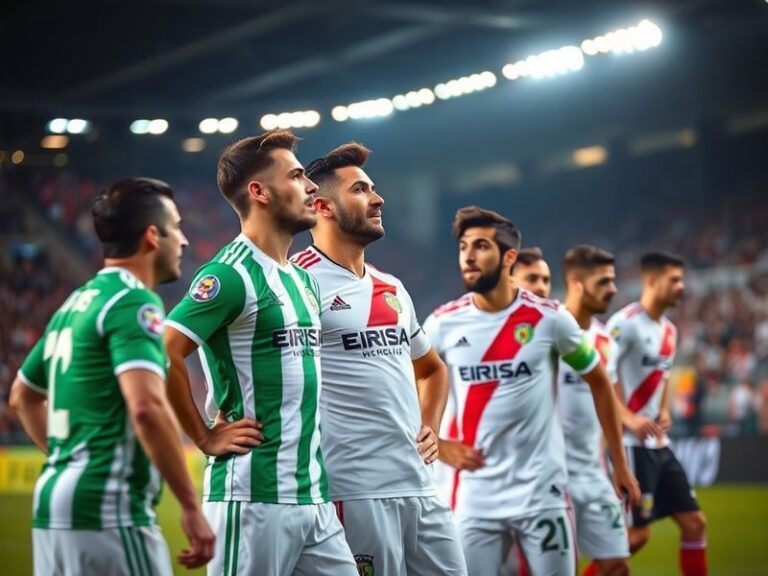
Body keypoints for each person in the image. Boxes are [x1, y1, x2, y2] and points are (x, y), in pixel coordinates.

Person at [163, 130, 358, 576]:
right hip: (252, 498)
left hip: (312, 496)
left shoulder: (302, 279)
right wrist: (204, 437)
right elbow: (164, 355)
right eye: (295, 176)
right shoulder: (229, 275)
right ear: (259, 191)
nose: (311, 186)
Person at [9, 178, 214, 575]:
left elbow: (22, 396)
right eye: (177, 227)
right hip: (108, 510)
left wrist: (69, 460)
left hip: (54, 505)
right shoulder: (134, 300)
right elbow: (147, 408)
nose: (185, 241)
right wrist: (191, 506)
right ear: (153, 236)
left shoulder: (77, 301)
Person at [423, 206, 640, 576]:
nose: (468, 257)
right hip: (474, 497)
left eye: (480, 246)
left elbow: (600, 383)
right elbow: (414, 383)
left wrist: (619, 464)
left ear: (508, 257)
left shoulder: (550, 318)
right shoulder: (442, 323)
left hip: (542, 494)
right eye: (463, 247)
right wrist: (438, 444)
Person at [291, 142, 467, 575]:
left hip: (420, 485)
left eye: (373, 188)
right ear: (323, 207)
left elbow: (432, 369)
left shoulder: (392, 286)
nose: (378, 198)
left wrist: (431, 423)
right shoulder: (296, 282)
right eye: (360, 189)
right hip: (354, 488)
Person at [607, 252, 708, 576]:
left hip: (659, 445)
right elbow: (600, 378)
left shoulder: (669, 330)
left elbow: (663, 377)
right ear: (651, 281)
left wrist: (663, 410)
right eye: (674, 280)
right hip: (630, 446)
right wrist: (629, 418)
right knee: (635, 538)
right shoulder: (624, 324)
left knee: (694, 523)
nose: (681, 287)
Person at [559, 245, 630, 576]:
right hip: (552, 476)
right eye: (603, 282)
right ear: (576, 283)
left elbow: (609, 407)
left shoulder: (606, 342)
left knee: (617, 566)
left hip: (593, 473)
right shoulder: (548, 332)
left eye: (612, 281)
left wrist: (618, 465)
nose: (612, 289)